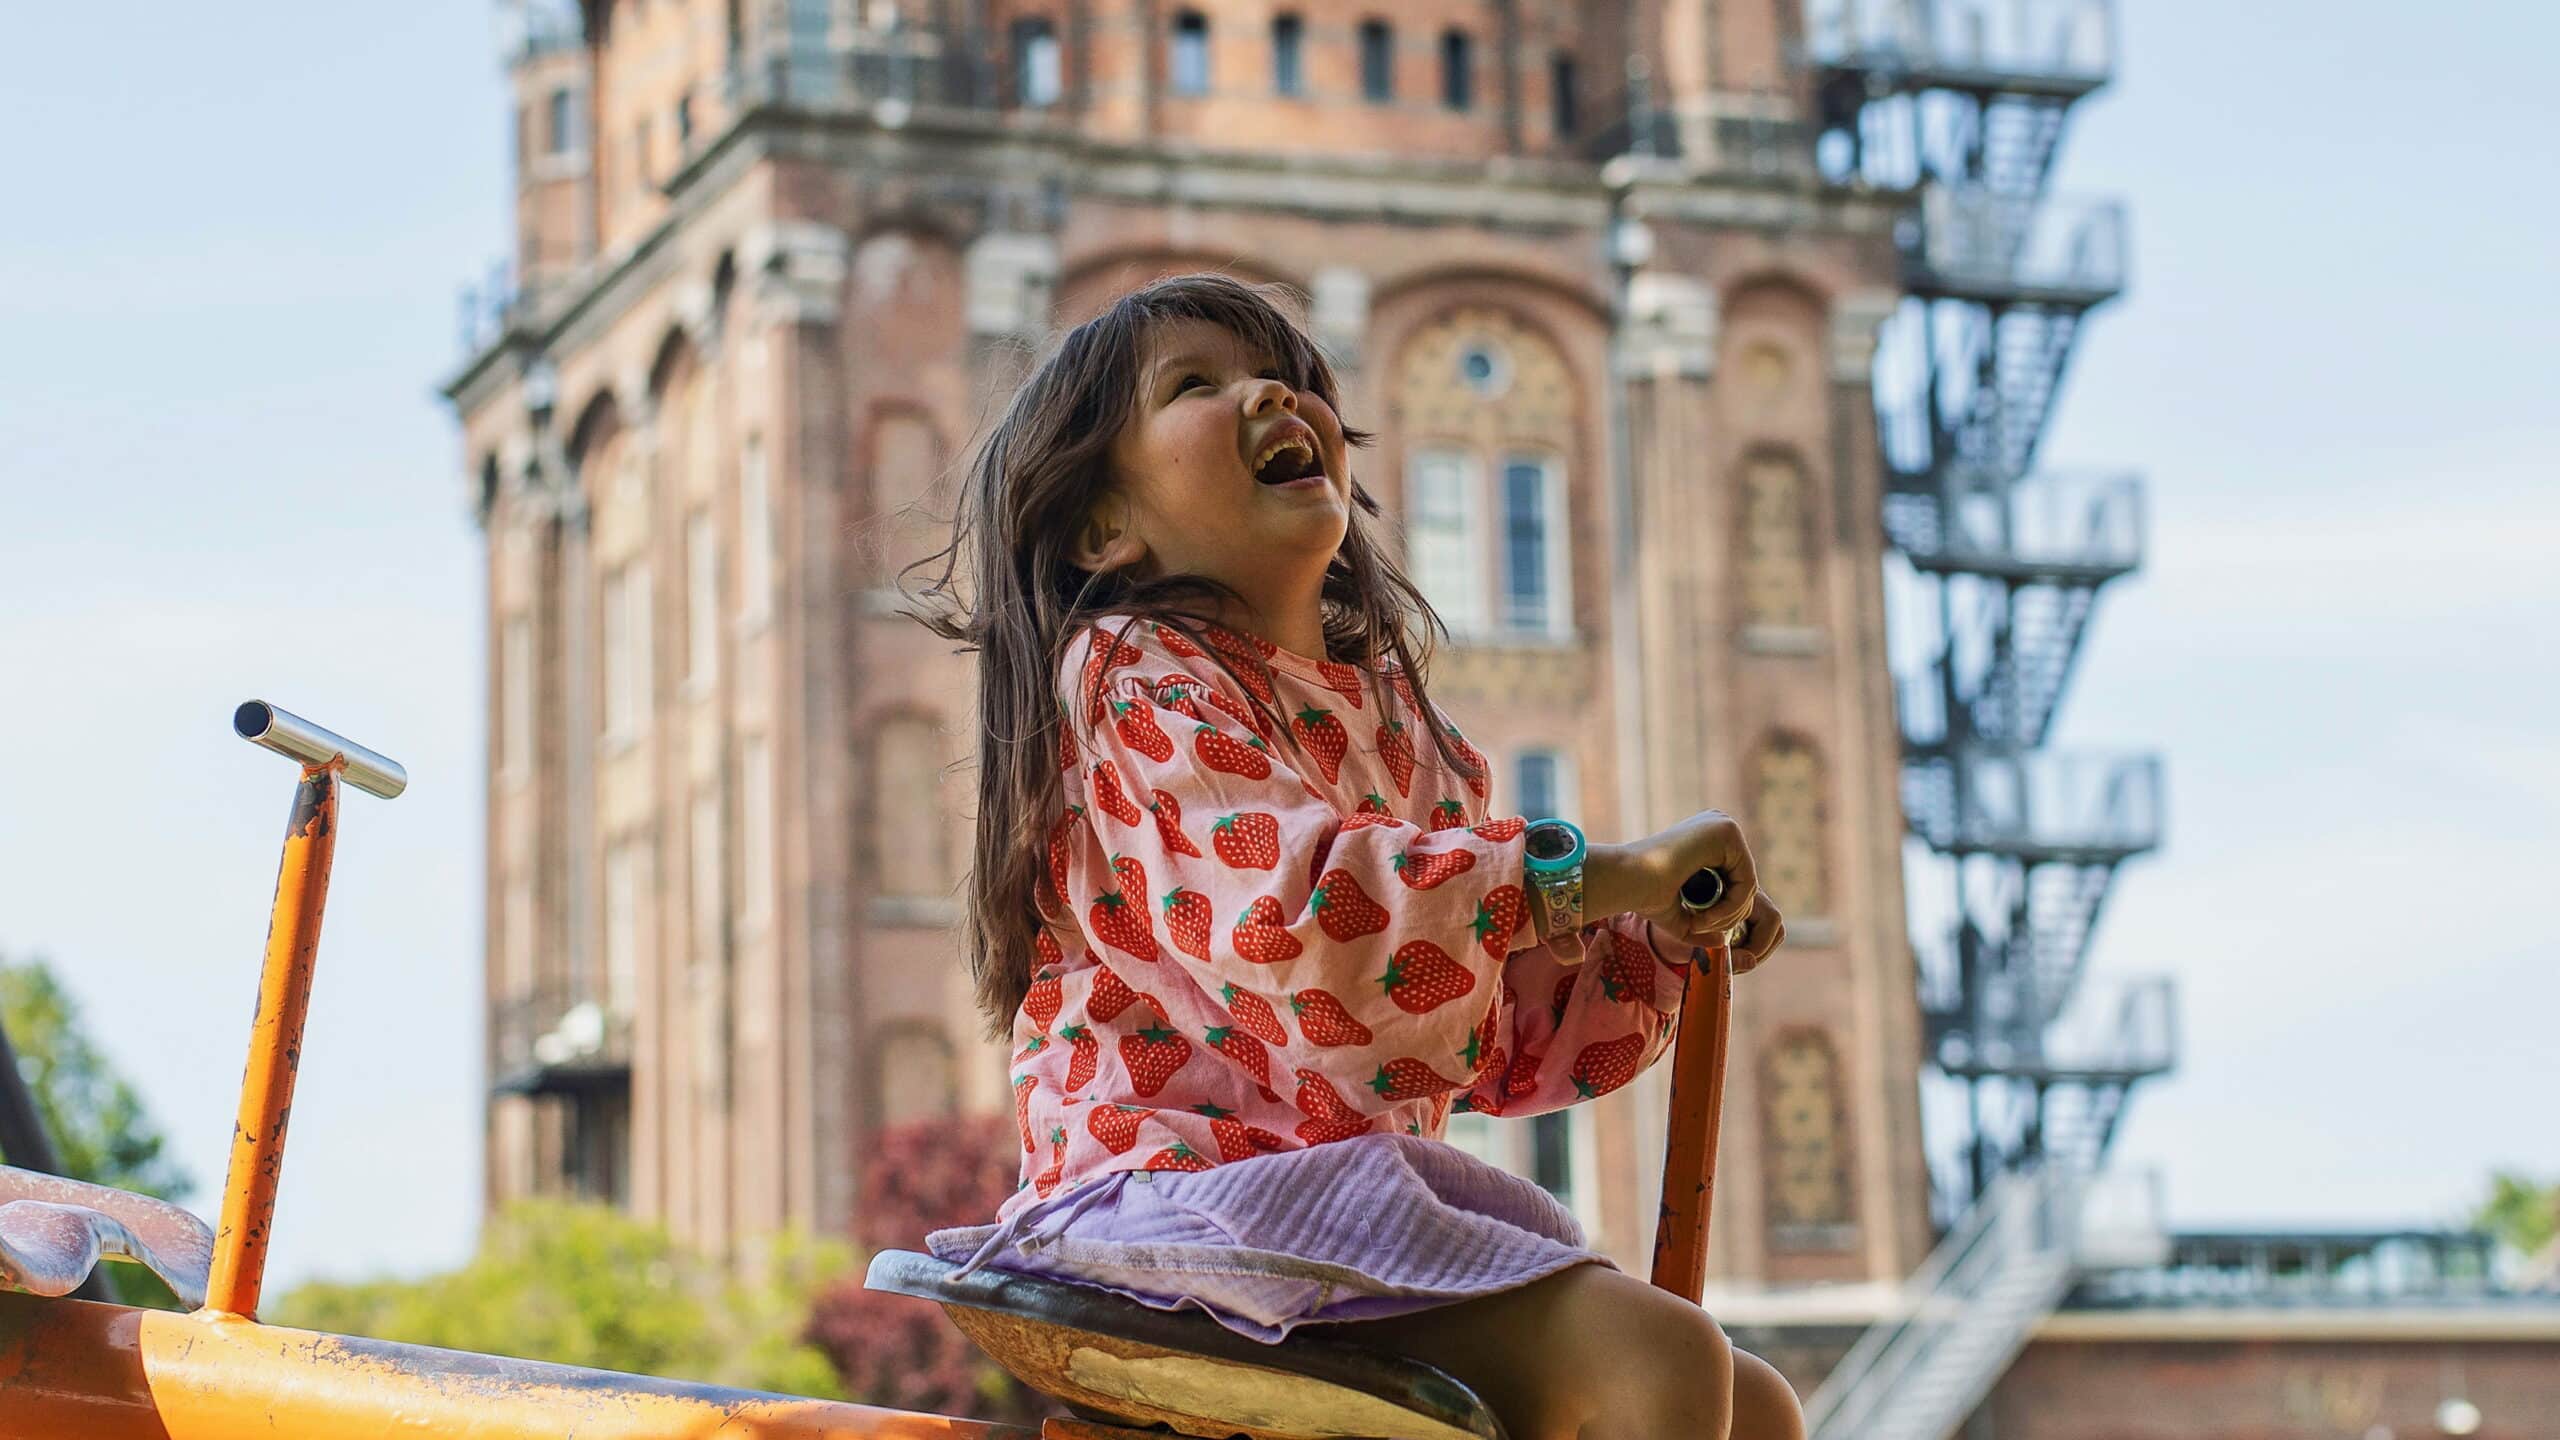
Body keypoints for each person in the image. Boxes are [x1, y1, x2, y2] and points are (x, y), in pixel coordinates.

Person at [904, 273, 1806, 1438]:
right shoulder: (1131, 673)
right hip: (1177, 1197)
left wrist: (1652, 941)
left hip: (1329, 1206)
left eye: (1291, 378)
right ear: (1102, 527)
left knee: (1760, 1405)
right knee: (1654, 1359)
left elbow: (1493, 1033)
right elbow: (1305, 929)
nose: (1271, 392)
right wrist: (1582, 878)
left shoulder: (1393, 727)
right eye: (1196, 383)